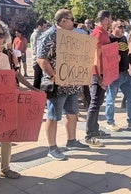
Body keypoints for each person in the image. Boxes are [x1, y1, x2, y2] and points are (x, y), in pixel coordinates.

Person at [0, 20, 37, 187]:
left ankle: (5, 168)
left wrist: (32, 89)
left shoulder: (6, 56)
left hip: (4, 103)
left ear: (5, 38)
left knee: (7, 137)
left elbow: (14, 77)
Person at [36, 9, 89, 161]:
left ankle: (71, 141)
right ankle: (52, 148)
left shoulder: (73, 35)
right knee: (53, 117)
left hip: (72, 83)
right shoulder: (49, 35)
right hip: (56, 85)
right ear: (63, 21)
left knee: (72, 113)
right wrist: (54, 75)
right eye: (72, 19)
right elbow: (41, 59)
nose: (74, 22)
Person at [104, 20, 131, 132]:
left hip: (125, 74)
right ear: (113, 27)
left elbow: (125, 54)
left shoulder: (124, 39)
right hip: (114, 74)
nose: (123, 29)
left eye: (124, 27)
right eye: (120, 27)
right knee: (111, 99)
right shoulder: (109, 39)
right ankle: (110, 122)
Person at [85, 10, 112, 147]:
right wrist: (99, 77)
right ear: (105, 19)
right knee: (95, 103)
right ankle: (89, 135)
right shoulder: (98, 33)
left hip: (102, 73)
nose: (111, 22)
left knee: (98, 101)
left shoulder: (103, 33)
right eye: (110, 19)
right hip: (97, 74)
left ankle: (95, 130)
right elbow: (94, 58)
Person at [30, 19, 46, 89]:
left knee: (40, 79)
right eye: (44, 27)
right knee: (37, 80)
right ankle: (35, 95)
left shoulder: (40, 34)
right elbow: (36, 48)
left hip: (40, 59)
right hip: (37, 60)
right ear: (39, 26)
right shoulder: (35, 35)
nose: (45, 28)